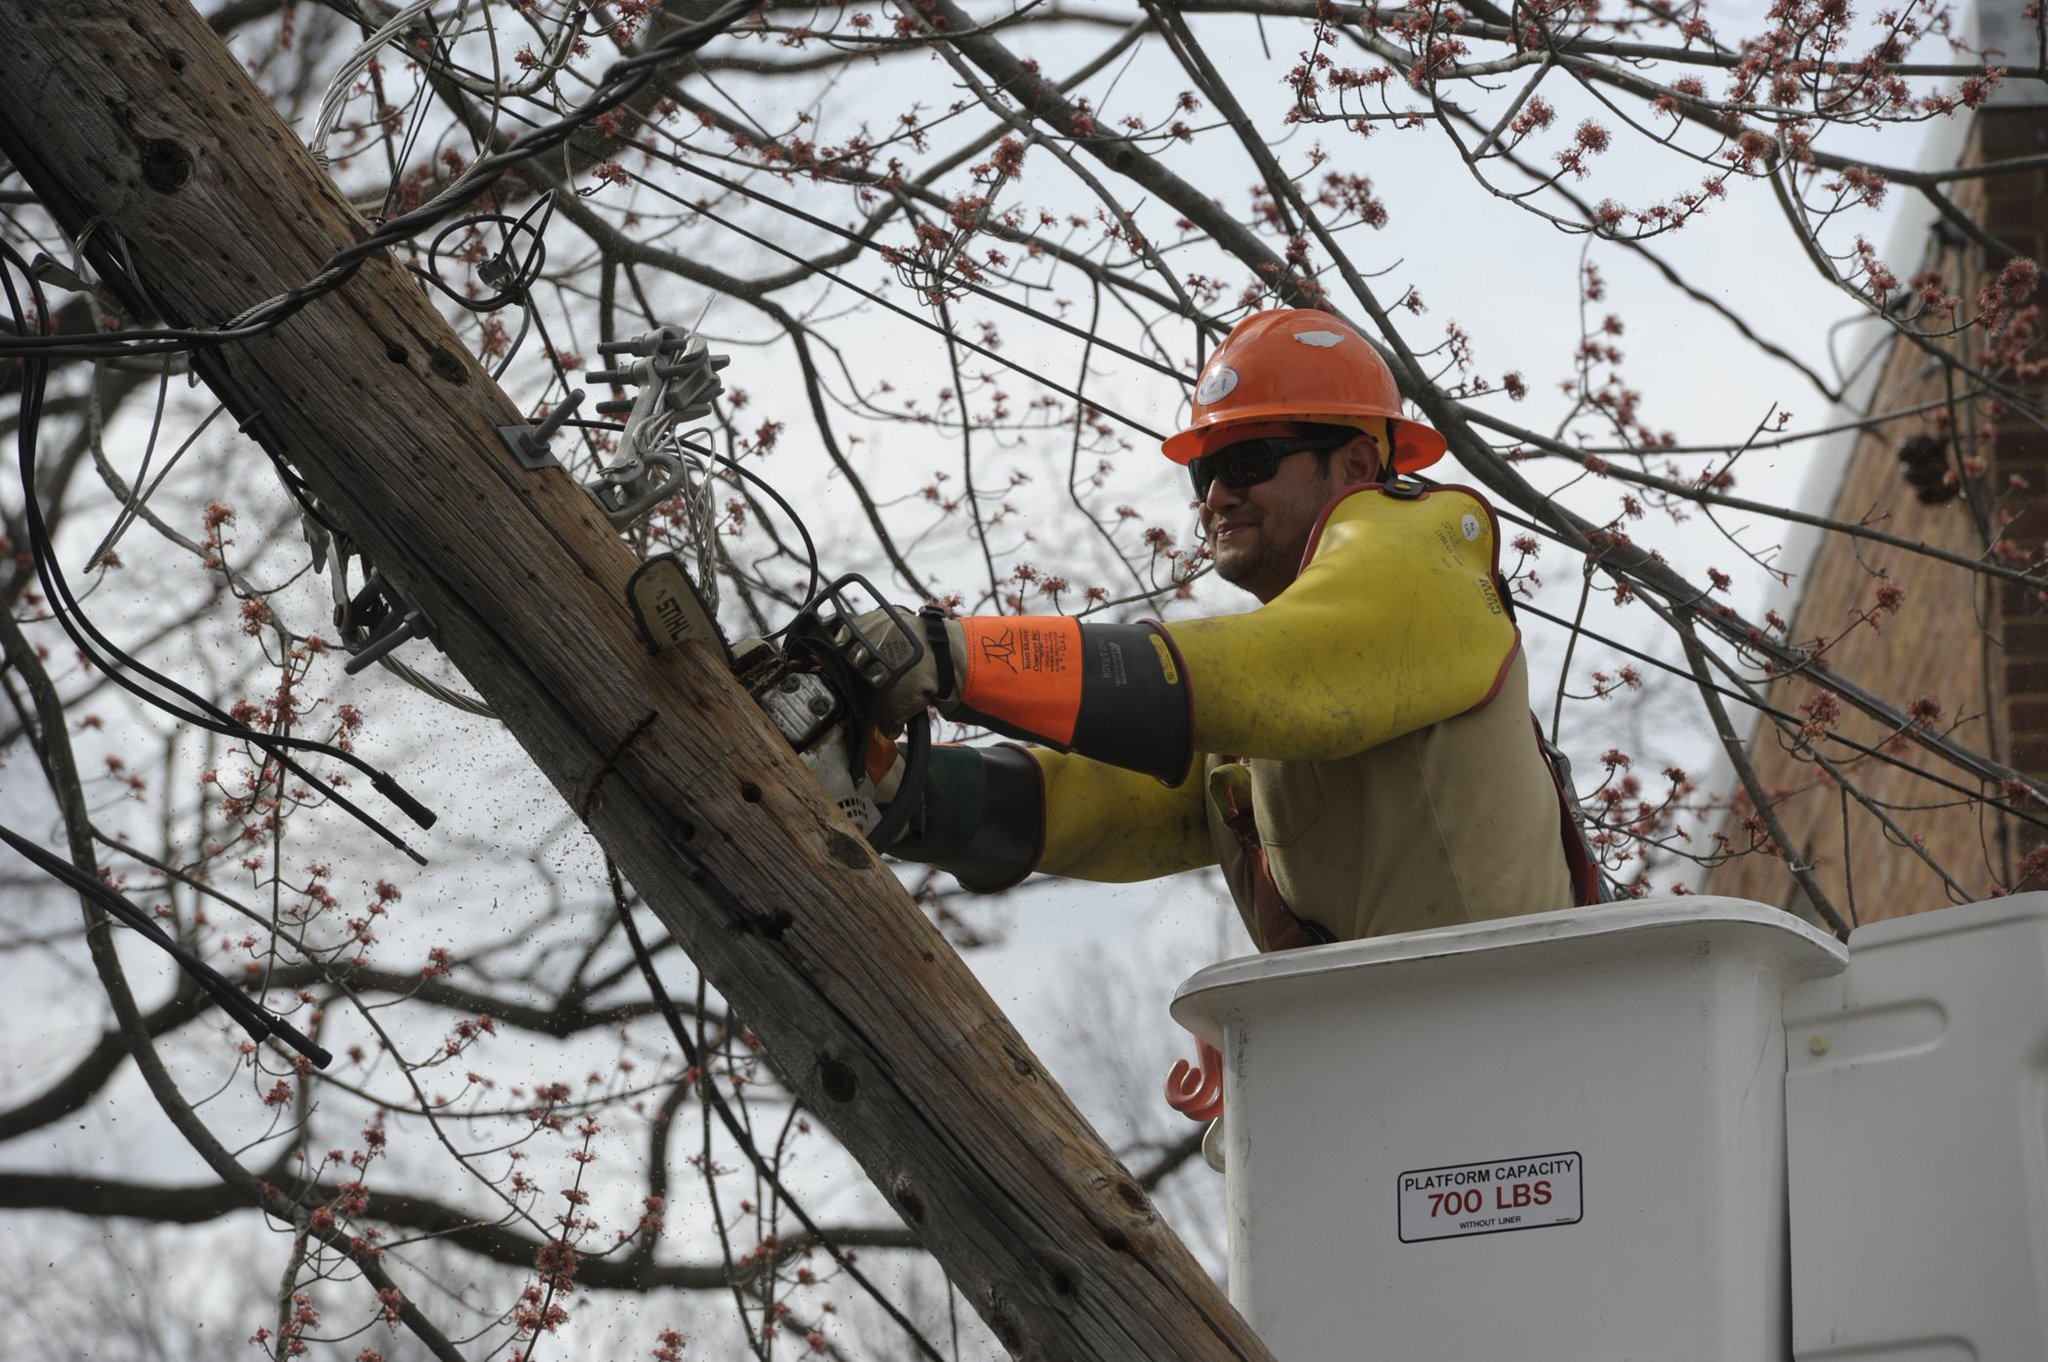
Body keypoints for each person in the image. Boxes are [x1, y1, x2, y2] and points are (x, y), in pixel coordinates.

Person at [862, 308, 1592, 950]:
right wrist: (898, 786)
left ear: (1357, 465)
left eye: (1247, 461)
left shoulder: (1425, 558)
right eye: (1203, 473)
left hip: (1508, 1039)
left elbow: (1282, 668)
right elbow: (1104, 804)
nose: (1216, 495)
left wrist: (952, 655)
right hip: (1403, 1049)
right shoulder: (1280, 708)